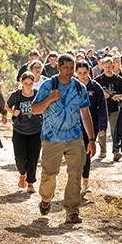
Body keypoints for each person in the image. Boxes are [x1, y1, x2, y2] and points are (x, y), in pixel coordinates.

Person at [32, 54, 96, 224]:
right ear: (58, 67)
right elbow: (35, 109)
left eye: (71, 68)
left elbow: (85, 114)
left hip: (75, 137)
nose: (69, 71)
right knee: (49, 174)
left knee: (75, 173)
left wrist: (91, 138)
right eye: (65, 68)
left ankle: (72, 211)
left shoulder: (80, 88)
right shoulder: (48, 85)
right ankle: (46, 199)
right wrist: (50, 98)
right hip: (52, 138)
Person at [6, 71, 43, 194]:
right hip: (19, 130)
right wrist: (12, 112)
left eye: (30, 83)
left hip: (35, 130)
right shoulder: (16, 95)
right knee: (20, 157)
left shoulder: (37, 95)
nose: (28, 85)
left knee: (33, 157)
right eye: (26, 83)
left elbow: (44, 107)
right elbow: (7, 106)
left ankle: (30, 183)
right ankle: (22, 173)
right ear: (21, 82)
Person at [75, 60, 108, 194]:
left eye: (85, 73)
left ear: (89, 72)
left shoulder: (95, 87)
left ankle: (85, 182)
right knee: (76, 154)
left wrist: (102, 126)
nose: (82, 76)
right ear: (76, 73)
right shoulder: (72, 86)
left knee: (87, 154)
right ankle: (75, 182)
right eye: (79, 73)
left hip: (90, 125)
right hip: (74, 125)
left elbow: (102, 107)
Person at [94, 57, 122, 160]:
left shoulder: (118, 79)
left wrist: (118, 96)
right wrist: (102, 95)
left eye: (109, 66)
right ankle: (102, 151)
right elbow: (92, 93)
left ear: (112, 65)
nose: (107, 68)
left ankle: (116, 151)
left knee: (115, 130)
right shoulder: (98, 80)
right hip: (102, 109)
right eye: (105, 66)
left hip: (114, 108)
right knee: (102, 130)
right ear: (102, 66)